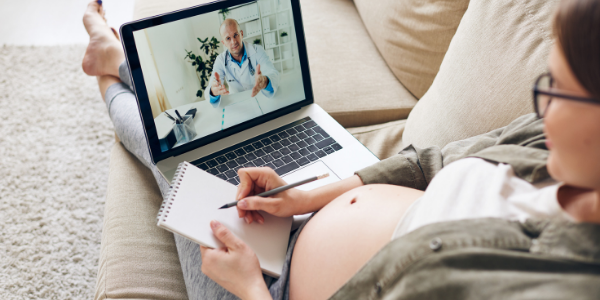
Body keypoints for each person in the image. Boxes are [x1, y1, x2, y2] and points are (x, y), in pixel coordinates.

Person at [81, 0, 600, 299]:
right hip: (308, 207)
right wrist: (309, 195)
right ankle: (115, 58)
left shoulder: (557, 285)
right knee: (195, 130)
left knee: (173, 160)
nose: (541, 107)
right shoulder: (543, 144)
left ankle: (108, 74)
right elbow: (432, 162)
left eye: (557, 89)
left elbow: (258, 85)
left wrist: (249, 288)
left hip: (268, 285)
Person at [205, 18, 280, 107]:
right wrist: (213, 91)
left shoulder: (257, 50)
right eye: (228, 38)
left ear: (241, 34)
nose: (233, 42)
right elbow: (210, 89)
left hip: (259, 99)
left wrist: (265, 81)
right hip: (237, 105)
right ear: (223, 43)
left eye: (236, 35)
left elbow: (273, 73)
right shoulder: (220, 60)